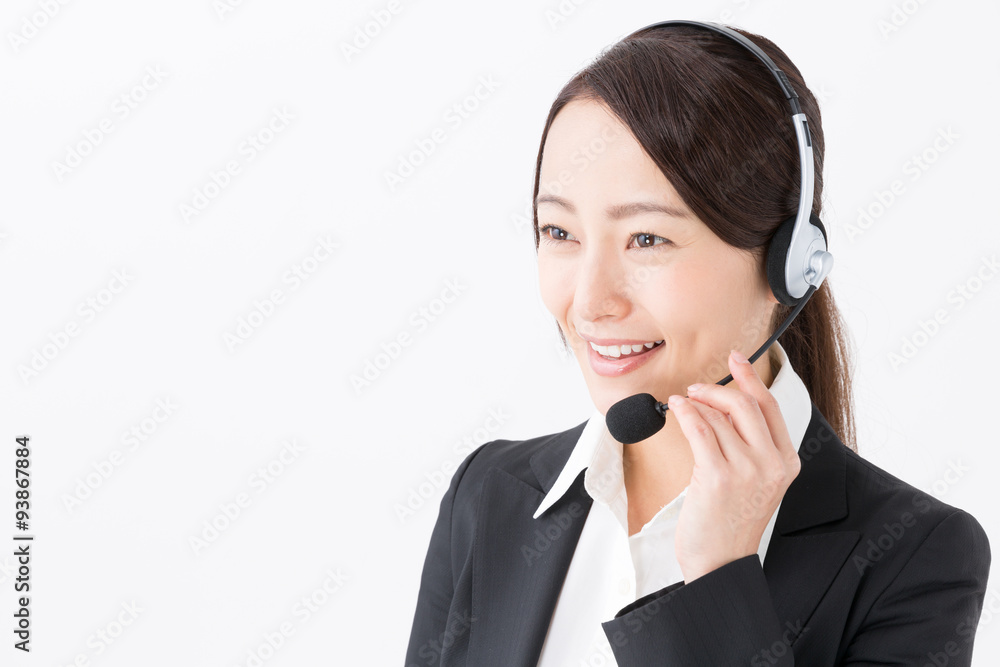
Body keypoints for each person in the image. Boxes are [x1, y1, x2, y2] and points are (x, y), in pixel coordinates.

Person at [404, 20, 991, 666]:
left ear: (788, 265)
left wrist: (720, 580)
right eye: (559, 231)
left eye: (646, 239)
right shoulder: (487, 497)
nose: (591, 299)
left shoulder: (915, 558)